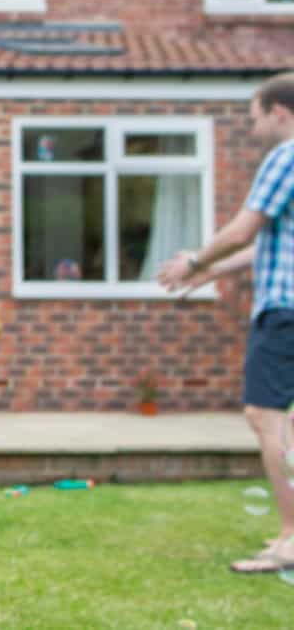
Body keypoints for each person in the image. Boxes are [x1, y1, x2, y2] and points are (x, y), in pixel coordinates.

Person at [159, 72, 294, 574]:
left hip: (283, 310)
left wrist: (194, 261)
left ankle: (291, 536)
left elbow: (243, 229)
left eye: (255, 115)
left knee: (266, 418)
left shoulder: (284, 157)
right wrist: (213, 270)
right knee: (277, 422)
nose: (252, 126)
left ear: (280, 111)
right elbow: (271, 242)